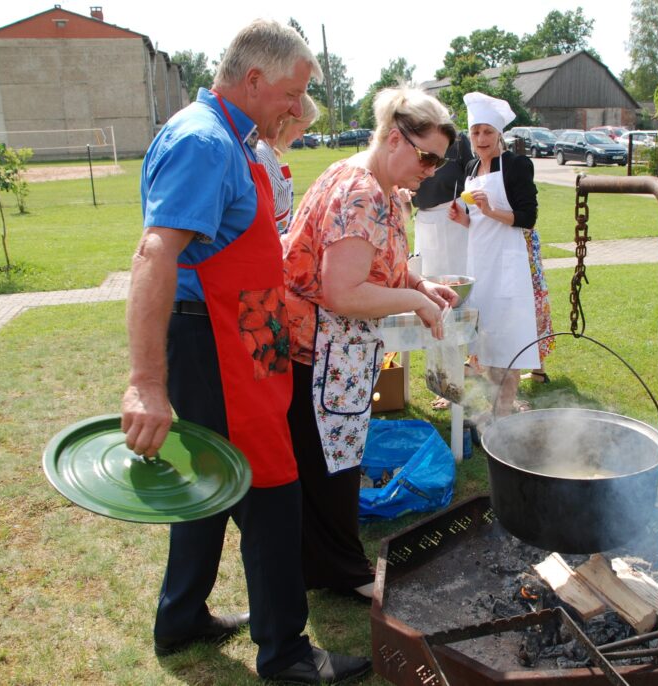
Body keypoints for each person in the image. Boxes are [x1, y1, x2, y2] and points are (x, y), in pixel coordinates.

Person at [120, 19, 369, 684]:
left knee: (206, 475)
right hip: (217, 339)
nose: (299, 109)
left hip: (246, 327)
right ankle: (287, 654)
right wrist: (146, 381)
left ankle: (181, 617)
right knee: (272, 490)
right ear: (254, 80)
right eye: (293, 93)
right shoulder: (204, 141)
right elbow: (155, 254)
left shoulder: (232, 140)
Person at [282, 86, 459, 597]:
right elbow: (343, 290)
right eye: (426, 157)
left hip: (338, 353)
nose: (430, 170)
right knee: (332, 473)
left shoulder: (376, 187)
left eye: (438, 162)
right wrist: (417, 305)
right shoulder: (361, 192)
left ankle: (325, 568)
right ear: (393, 137)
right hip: (322, 353)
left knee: (333, 466)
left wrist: (419, 285)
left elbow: (382, 267)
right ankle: (344, 573)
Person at [448, 91, 550, 416]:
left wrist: (491, 211)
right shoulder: (472, 166)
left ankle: (503, 413)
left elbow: (527, 217)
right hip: (479, 265)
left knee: (507, 342)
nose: (480, 138)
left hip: (507, 266)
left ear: (499, 134)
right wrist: (464, 219)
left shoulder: (517, 165)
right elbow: (478, 224)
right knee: (486, 340)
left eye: (487, 132)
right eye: (475, 132)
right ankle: (498, 409)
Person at [254, 93, 320, 234]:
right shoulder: (262, 154)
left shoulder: (268, 153)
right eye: (301, 129)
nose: (301, 136)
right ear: (287, 121)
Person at [412, 130, 475, 276]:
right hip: (425, 218)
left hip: (454, 215)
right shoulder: (411, 140)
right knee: (428, 272)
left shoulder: (458, 141)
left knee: (459, 271)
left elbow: (471, 175)